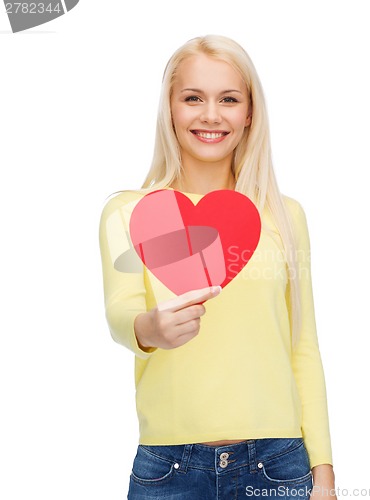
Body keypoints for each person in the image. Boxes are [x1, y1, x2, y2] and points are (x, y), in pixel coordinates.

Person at [99, 34, 337, 499]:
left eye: (228, 99)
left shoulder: (284, 216)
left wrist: (323, 472)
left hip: (279, 465)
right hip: (168, 467)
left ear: (249, 113)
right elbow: (119, 313)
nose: (211, 115)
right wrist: (150, 329)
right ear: (170, 108)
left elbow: (302, 346)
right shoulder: (128, 212)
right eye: (193, 98)